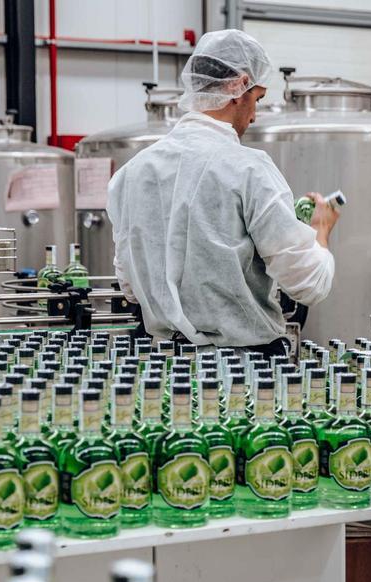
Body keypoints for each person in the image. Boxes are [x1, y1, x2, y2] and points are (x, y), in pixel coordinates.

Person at [106, 29, 340, 357]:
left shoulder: (130, 174)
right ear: (237, 87)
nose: (255, 115)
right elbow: (308, 283)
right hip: (246, 374)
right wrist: (321, 232)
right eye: (256, 99)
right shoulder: (248, 169)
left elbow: (130, 287)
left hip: (164, 371)